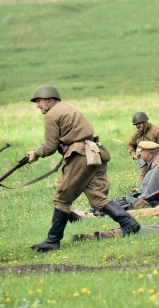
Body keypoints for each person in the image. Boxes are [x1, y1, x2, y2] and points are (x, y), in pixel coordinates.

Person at [27, 85, 140, 252]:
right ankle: (129, 223)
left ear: (50, 100)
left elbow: (50, 147)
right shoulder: (69, 108)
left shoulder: (51, 115)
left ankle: (52, 241)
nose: (37, 105)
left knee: (62, 199)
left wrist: (36, 153)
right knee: (97, 198)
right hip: (94, 153)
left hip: (80, 156)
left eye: (39, 101)